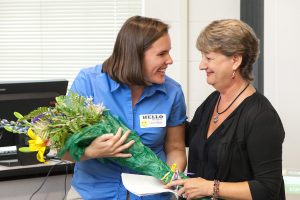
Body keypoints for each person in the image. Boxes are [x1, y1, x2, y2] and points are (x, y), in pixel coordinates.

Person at [64, 16, 187, 200]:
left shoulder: (172, 92)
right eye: (161, 54)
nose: (169, 60)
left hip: (152, 196)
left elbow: (176, 148)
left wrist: (170, 176)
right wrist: (92, 151)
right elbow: (62, 149)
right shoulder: (88, 83)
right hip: (93, 194)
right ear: (135, 55)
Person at [166, 19, 285, 200]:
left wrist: (210, 188)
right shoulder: (213, 100)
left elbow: (268, 188)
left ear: (235, 60)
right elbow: (188, 136)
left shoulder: (261, 117)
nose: (201, 65)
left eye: (209, 58)